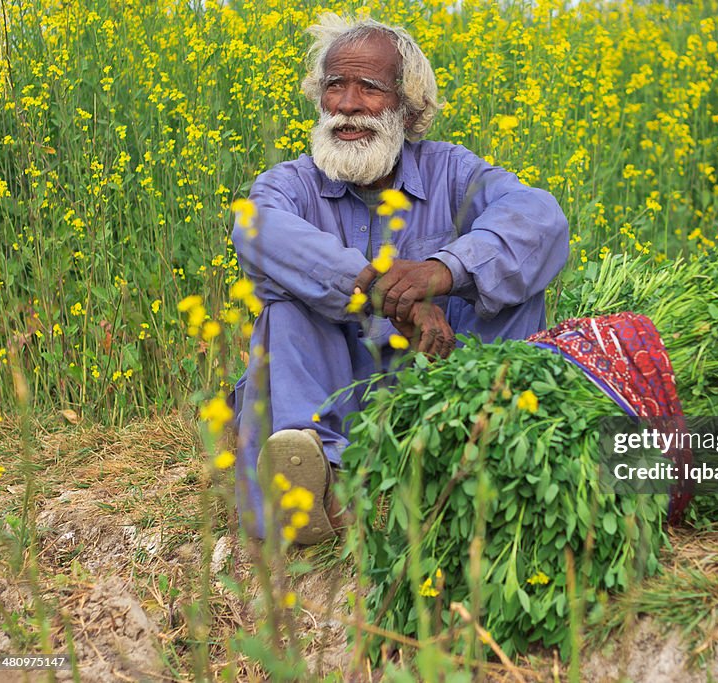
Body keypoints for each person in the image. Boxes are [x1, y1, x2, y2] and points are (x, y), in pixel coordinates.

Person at [230, 14, 570, 544]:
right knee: (287, 301)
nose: (346, 105)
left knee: (510, 277)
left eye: (368, 88)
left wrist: (445, 271)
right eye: (333, 87)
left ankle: (488, 449)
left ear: (409, 108)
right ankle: (313, 473)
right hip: (335, 391)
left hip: (437, 382)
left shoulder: (454, 172)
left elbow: (541, 218)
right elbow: (257, 229)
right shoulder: (289, 183)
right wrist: (389, 295)